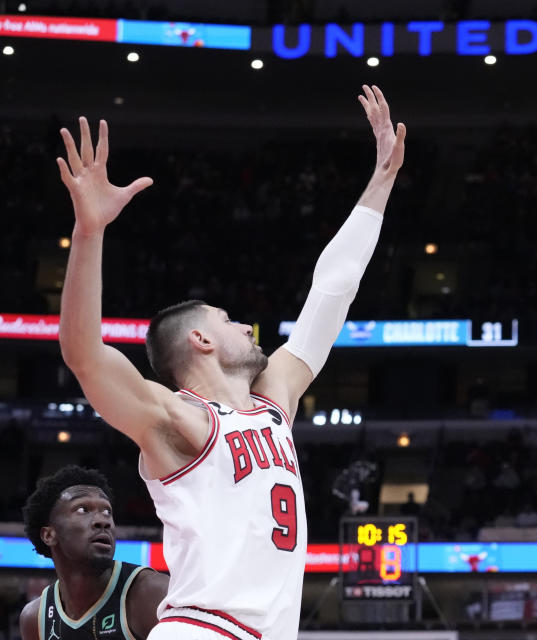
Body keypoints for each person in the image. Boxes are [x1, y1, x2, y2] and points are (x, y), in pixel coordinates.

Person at [55, 85, 405, 640]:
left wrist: (381, 182)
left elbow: (332, 291)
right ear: (199, 338)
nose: (246, 325)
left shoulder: (275, 401)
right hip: (203, 629)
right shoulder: (178, 420)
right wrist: (89, 231)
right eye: (229, 319)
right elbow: (83, 353)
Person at [19, 466, 169, 640]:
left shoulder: (151, 593)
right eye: (83, 509)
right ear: (49, 535)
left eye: (107, 511)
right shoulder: (35, 618)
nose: (102, 521)